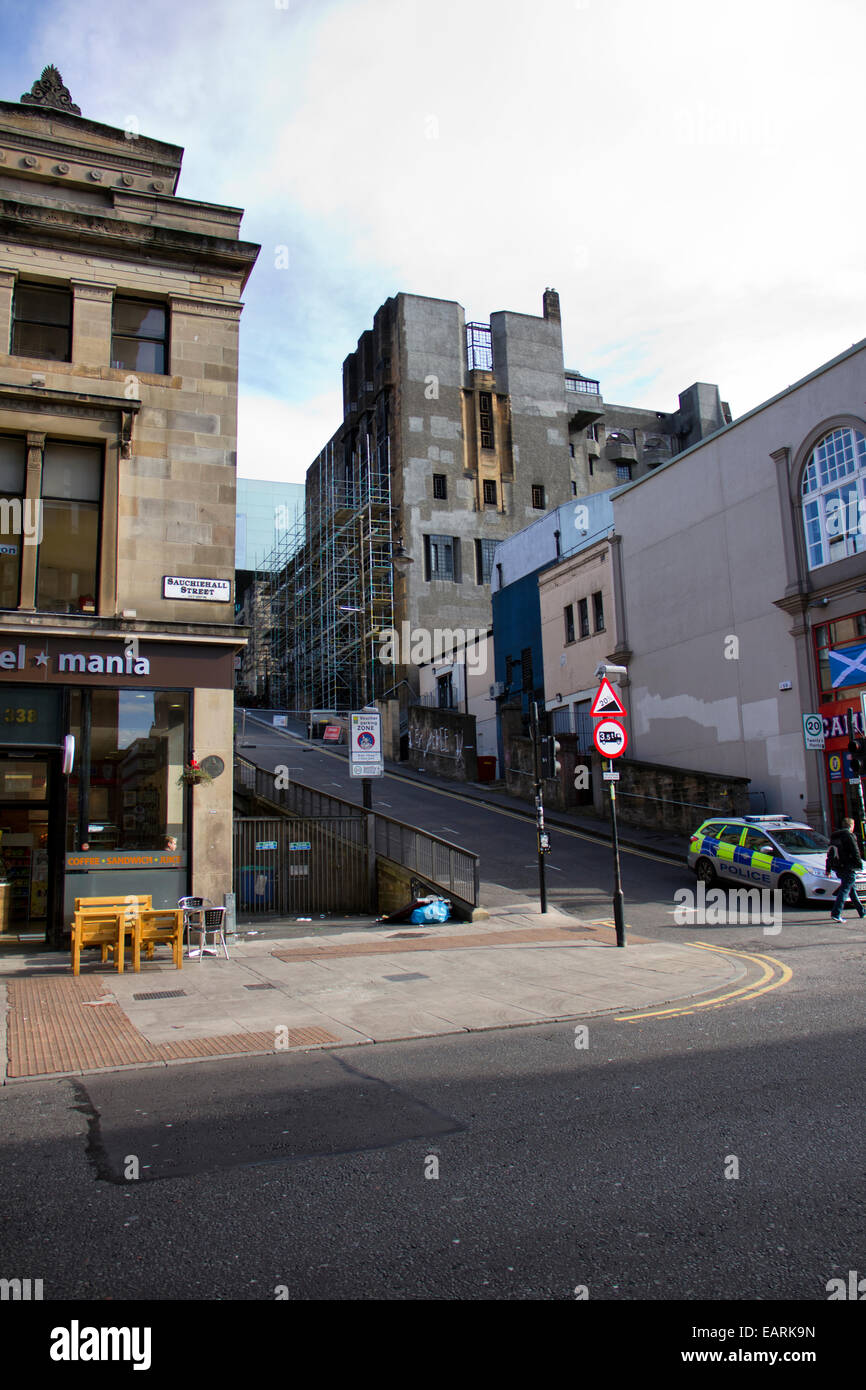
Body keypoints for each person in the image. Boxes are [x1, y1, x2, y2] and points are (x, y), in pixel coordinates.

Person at [827, 817, 866, 923]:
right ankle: (836, 913)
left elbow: (830, 853)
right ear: (851, 826)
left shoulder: (834, 836)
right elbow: (855, 851)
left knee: (851, 890)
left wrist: (828, 868)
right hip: (848, 867)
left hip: (838, 867)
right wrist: (859, 864)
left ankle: (862, 911)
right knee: (845, 890)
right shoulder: (849, 836)